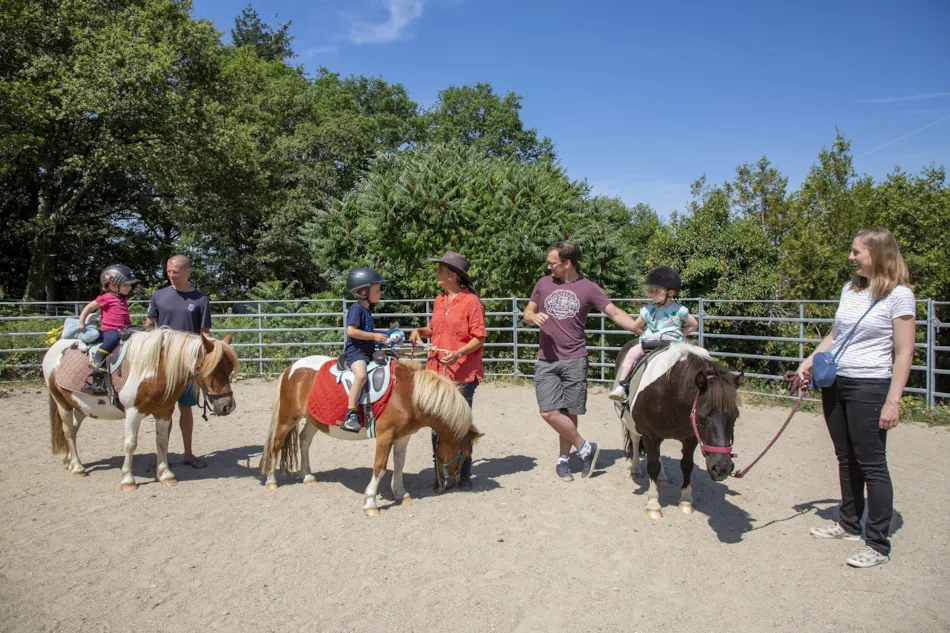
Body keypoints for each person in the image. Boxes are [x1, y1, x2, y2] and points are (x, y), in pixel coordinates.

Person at [796, 227, 915, 568]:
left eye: (856, 252)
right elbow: (837, 334)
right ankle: (849, 524)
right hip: (836, 381)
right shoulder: (851, 289)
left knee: (872, 463)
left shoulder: (899, 296)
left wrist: (893, 400)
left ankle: (877, 543)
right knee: (845, 457)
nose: (851, 257)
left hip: (870, 385)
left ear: (877, 254)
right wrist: (807, 363)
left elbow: (904, 353)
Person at [523, 242, 642, 482]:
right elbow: (527, 312)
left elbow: (614, 312)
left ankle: (564, 460)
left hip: (574, 358)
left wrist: (640, 329)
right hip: (546, 359)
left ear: (567, 263)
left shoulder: (588, 288)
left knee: (568, 412)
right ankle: (586, 447)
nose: (549, 267)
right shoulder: (543, 283)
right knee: (548, 412)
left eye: (553, 263)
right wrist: (533, 317)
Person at [409, 251, 487, 491]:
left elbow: (479, 336)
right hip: (436, 372)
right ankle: (440, 472)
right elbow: (435, 329)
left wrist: (459, 353)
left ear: (452, 275)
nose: (436, 273)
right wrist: (420, 331)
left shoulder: (471, 302)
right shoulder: (439, 300)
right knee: (435, 424)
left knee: (460, 425)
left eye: (440, 270)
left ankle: (464, 474)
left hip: (462, 373)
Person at [144, 255, 212, 468]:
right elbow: (149, 325)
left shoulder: (201, 299)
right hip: (163, 364)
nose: (171, 275)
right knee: (162, 411)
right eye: (169, 271)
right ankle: (160, 456)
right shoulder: (159, 296)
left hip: (187, 365)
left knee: (186, 408)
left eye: (176, 272)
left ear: (188, 272)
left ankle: (188, 453)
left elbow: (204, 334)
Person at [608, 266, 698, 401]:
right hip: (654, 342)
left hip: (673, 343)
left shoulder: (680, 310)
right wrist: (646, 334)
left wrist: (681, 334)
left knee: (700, 355)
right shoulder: (647, 310)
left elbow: (694, 324)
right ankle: (622, 386)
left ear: (671, 292)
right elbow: (635, 326)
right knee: (632, 353)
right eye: (651, 291)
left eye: (657, 291)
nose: (652, 294)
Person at [341, 267, 390, 433]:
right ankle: (350, 414)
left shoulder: (367, 310)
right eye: (377, 290)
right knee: (361, 375)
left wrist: (382, 339)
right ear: (363, 291)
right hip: (356, 352)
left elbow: (368, 333)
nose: (380, 293)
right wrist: (374, 336)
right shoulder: (356, 309)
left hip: (367, 351)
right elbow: (352, 332)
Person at [79, 265, 138, 392]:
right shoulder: (105, 298)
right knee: (112, 339)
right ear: (112, 285)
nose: (129, 287)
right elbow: (89, 307)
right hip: (110, 329)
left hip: (124, 328)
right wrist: (81, 322)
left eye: (129, 285)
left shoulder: (122, 298)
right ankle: (97, 360)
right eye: (125, 285)